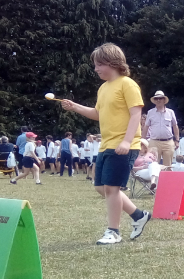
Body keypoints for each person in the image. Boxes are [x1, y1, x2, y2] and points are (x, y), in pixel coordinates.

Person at [59, 43, 150, 245]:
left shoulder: (128, 84)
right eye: (95, 65)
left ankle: (114, 231)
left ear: (113, 63)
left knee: (111, 188)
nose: (96, 69)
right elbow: (97, 114)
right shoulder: (103, 88)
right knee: (101, 188)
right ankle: (139, 215)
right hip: (106, 145)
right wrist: (74, 107)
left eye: (99, 64)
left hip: (124, 146)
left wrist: (127, 141)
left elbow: (136, 113)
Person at [142, 90, 179, 167]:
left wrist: (177, 140)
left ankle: (167, 179)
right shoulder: (150, 112)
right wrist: (142, 140)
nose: (158, 100)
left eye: (160, 98)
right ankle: (154, 179)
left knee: (168, 166)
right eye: (156, 99)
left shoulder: (170, 112)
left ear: (164, 100)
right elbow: (146, 127)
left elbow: (175, 126)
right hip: (154, 142)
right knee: (153, 165)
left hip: (168, 142)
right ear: (154, 101)